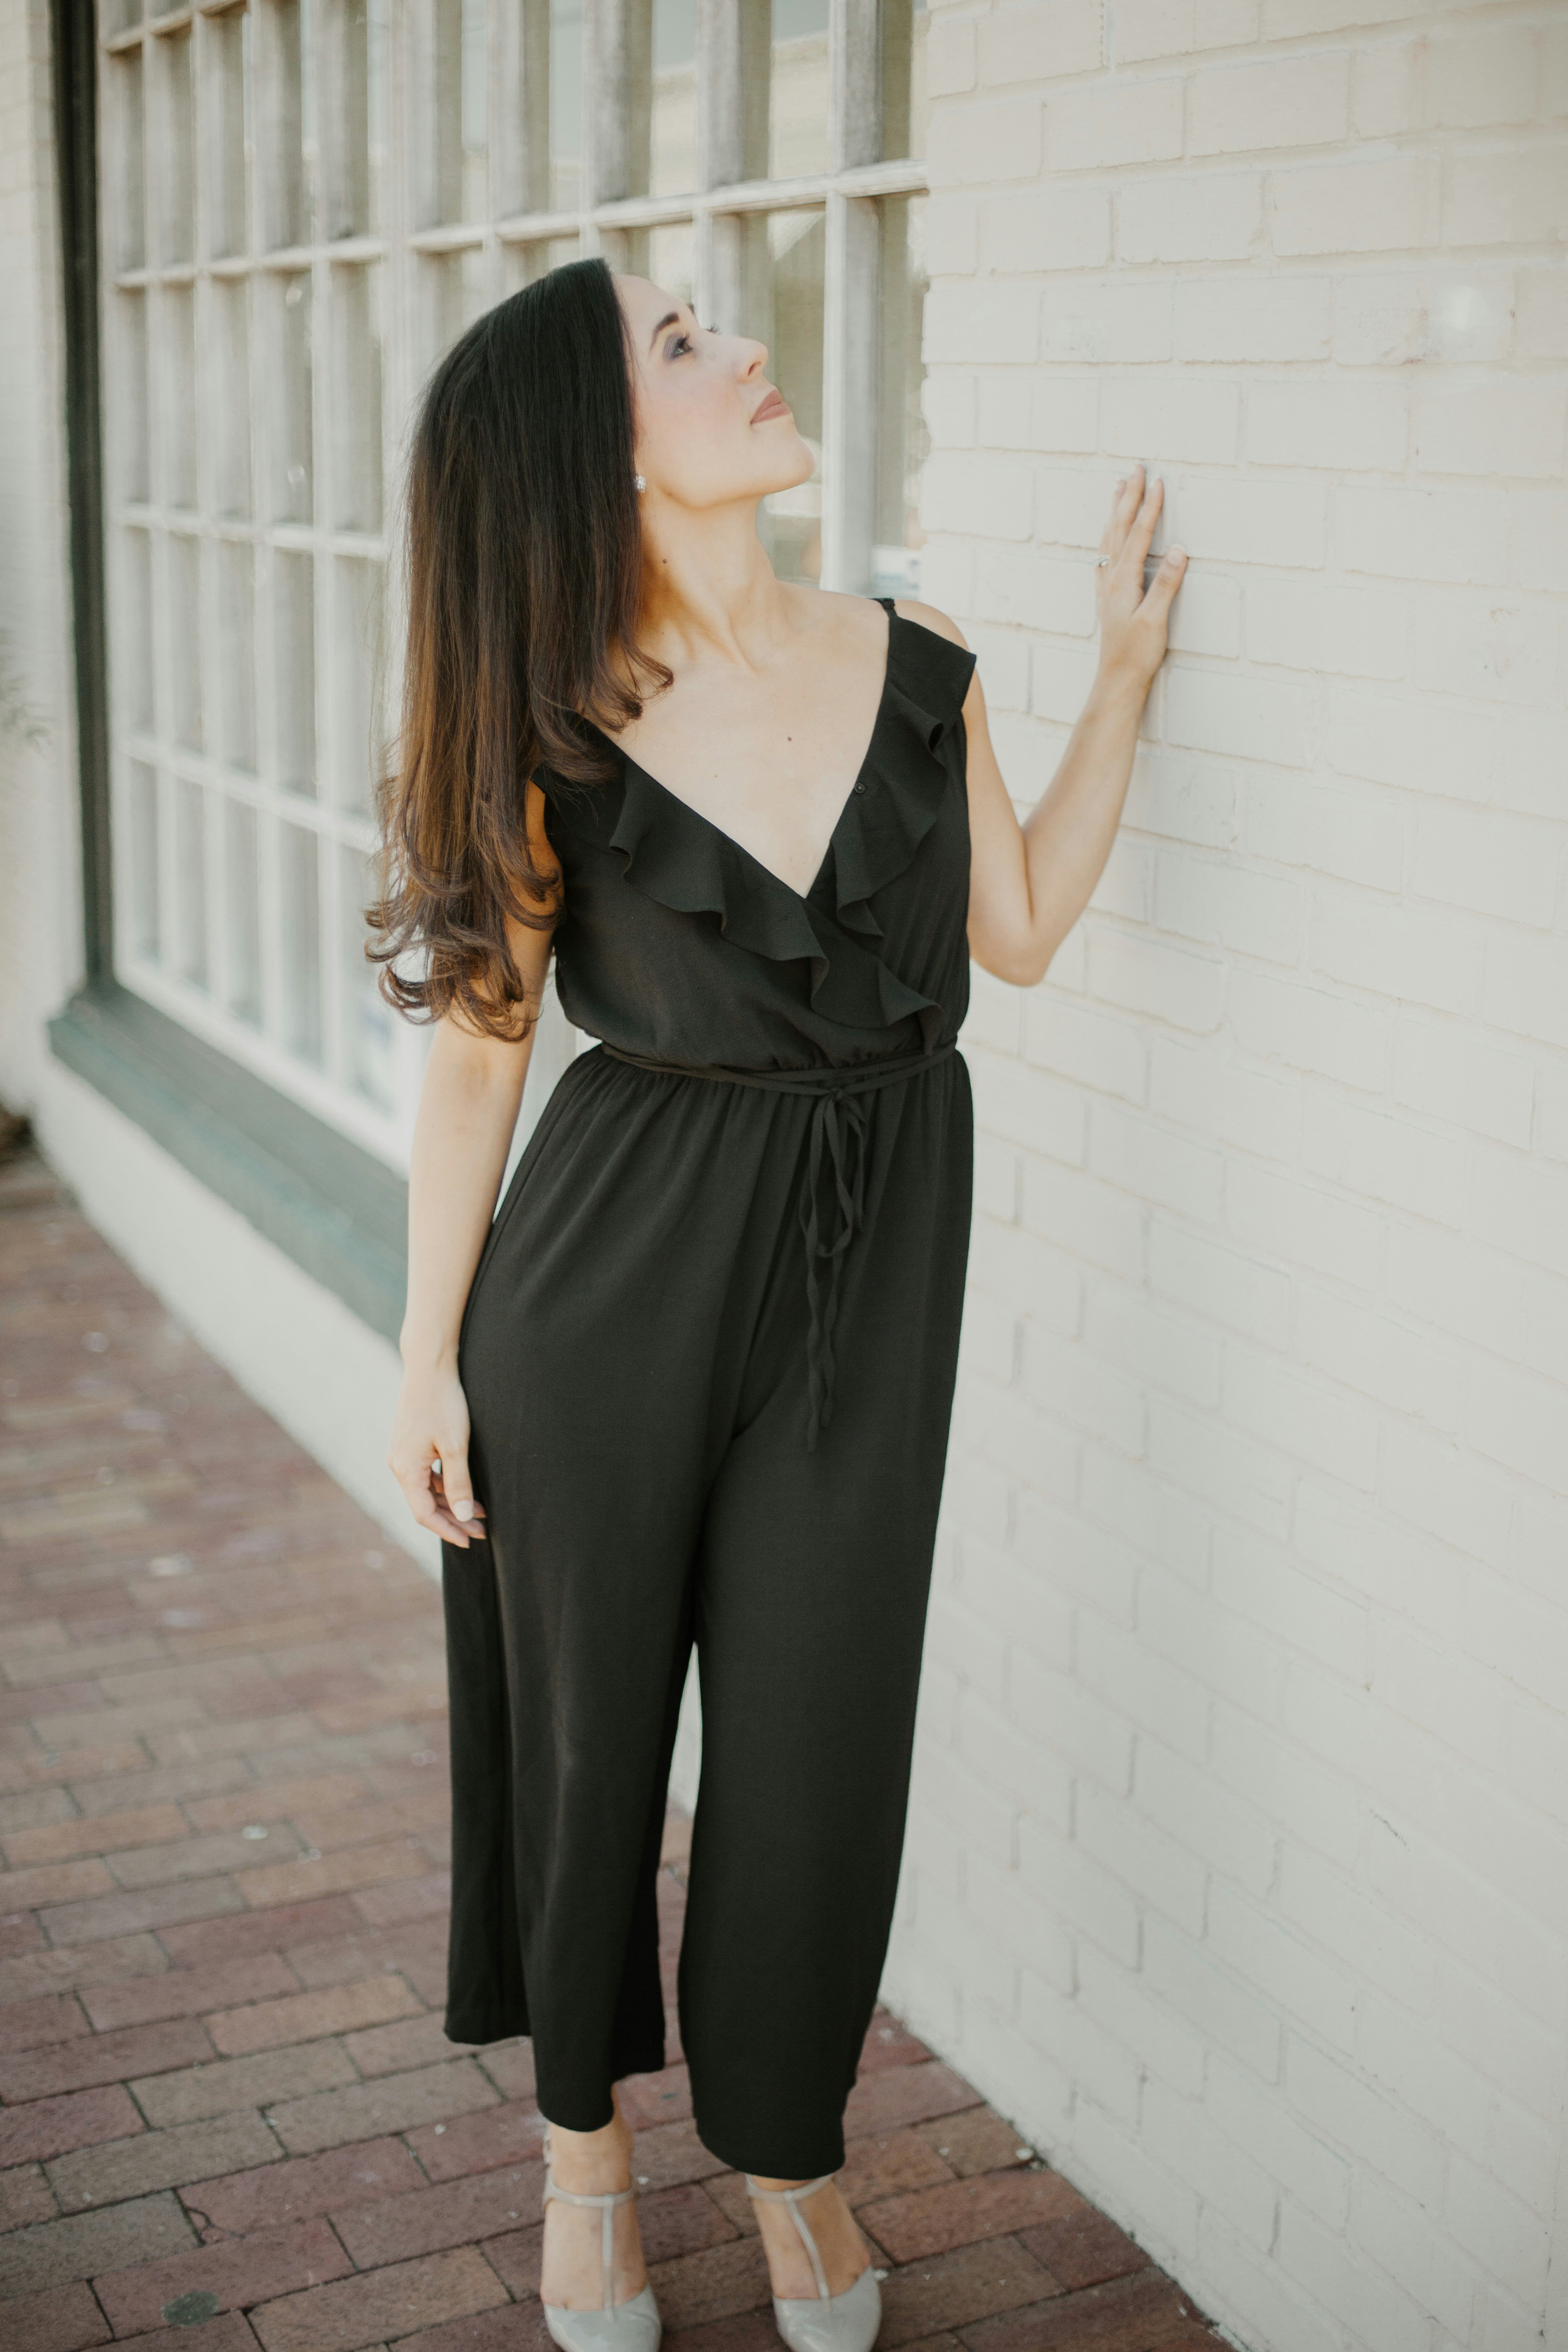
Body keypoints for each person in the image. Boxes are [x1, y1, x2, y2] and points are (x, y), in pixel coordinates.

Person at [376, 255, 1184, 2352]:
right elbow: (480, 1045)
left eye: (716, 321)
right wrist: (423, 1355)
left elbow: (1009, 932)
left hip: (869, 1270)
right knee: (585, 1745)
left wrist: (1118, 689)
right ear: (601, 457)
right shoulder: (558, 722)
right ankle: (582, 2167)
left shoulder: (919, 658)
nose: (744, 345)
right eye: (677, 342)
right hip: (606, 1283)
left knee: (821, 1744)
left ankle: (793, 2164)